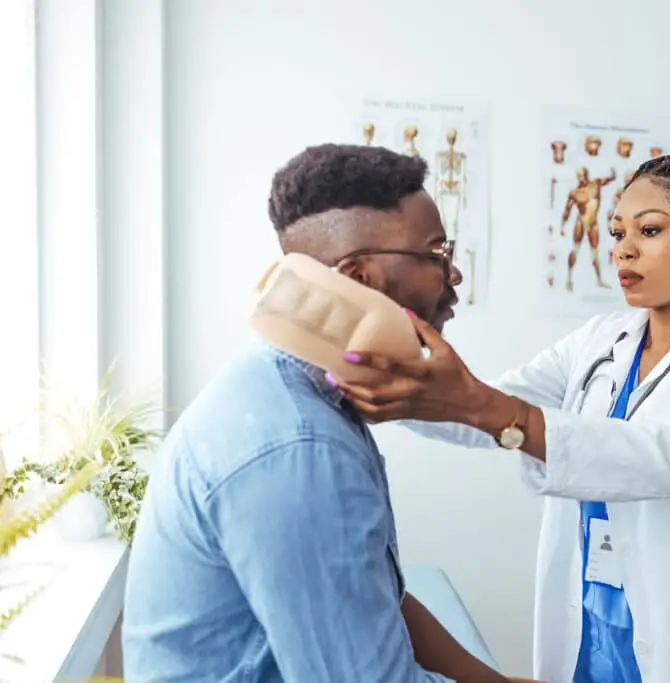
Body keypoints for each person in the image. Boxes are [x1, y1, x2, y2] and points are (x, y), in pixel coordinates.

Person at [332, 153, 670, 683]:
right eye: (618, 231)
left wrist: (487, 408)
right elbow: (484, 405)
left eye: (649, 230)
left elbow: (668, 457)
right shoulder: (601, 340)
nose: (624, 248)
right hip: (590, 610)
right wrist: (390, 380)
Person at [121, 144, 520, 683]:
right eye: (435, 254)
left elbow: (375, 600)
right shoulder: (299, 445)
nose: (453, 277)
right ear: (357, 278)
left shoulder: (292, 392)